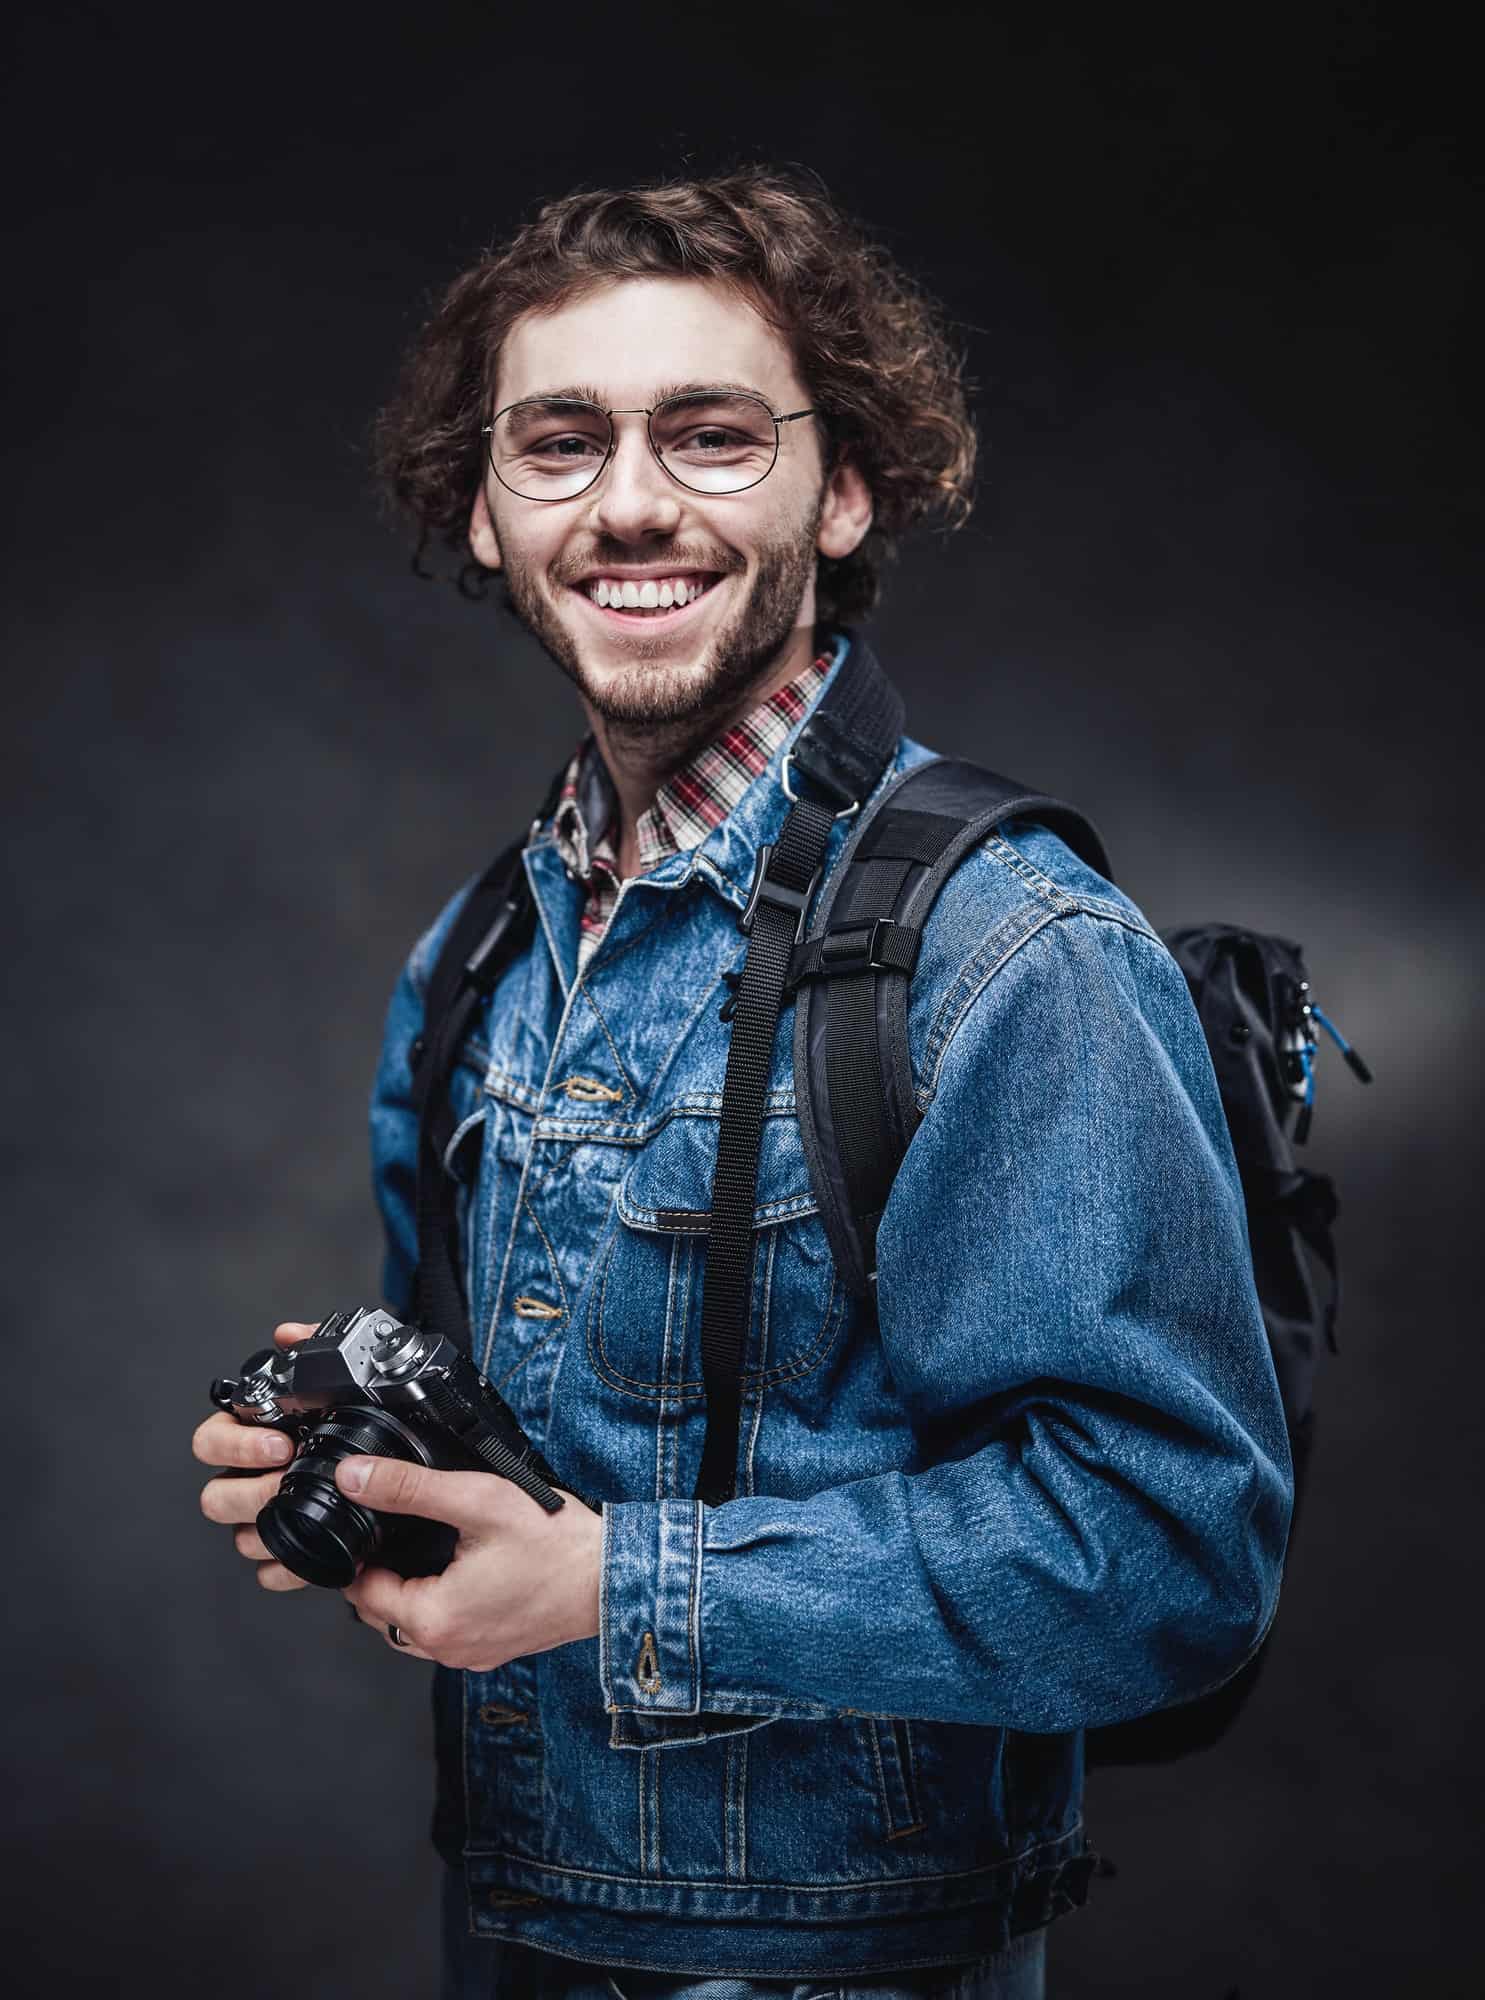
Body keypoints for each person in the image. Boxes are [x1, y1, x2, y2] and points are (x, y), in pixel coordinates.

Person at [192, 166, 1293, 1998]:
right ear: (481, 509)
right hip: (516, 1925)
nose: (628, 504)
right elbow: (542, 1459)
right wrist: (368, 1461)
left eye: (707, 436)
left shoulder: (1011, 948)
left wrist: (614, 1587)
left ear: (841, 486)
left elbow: (1166, 1555)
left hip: (847, 1970)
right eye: (556, 443)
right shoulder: (476, 951)